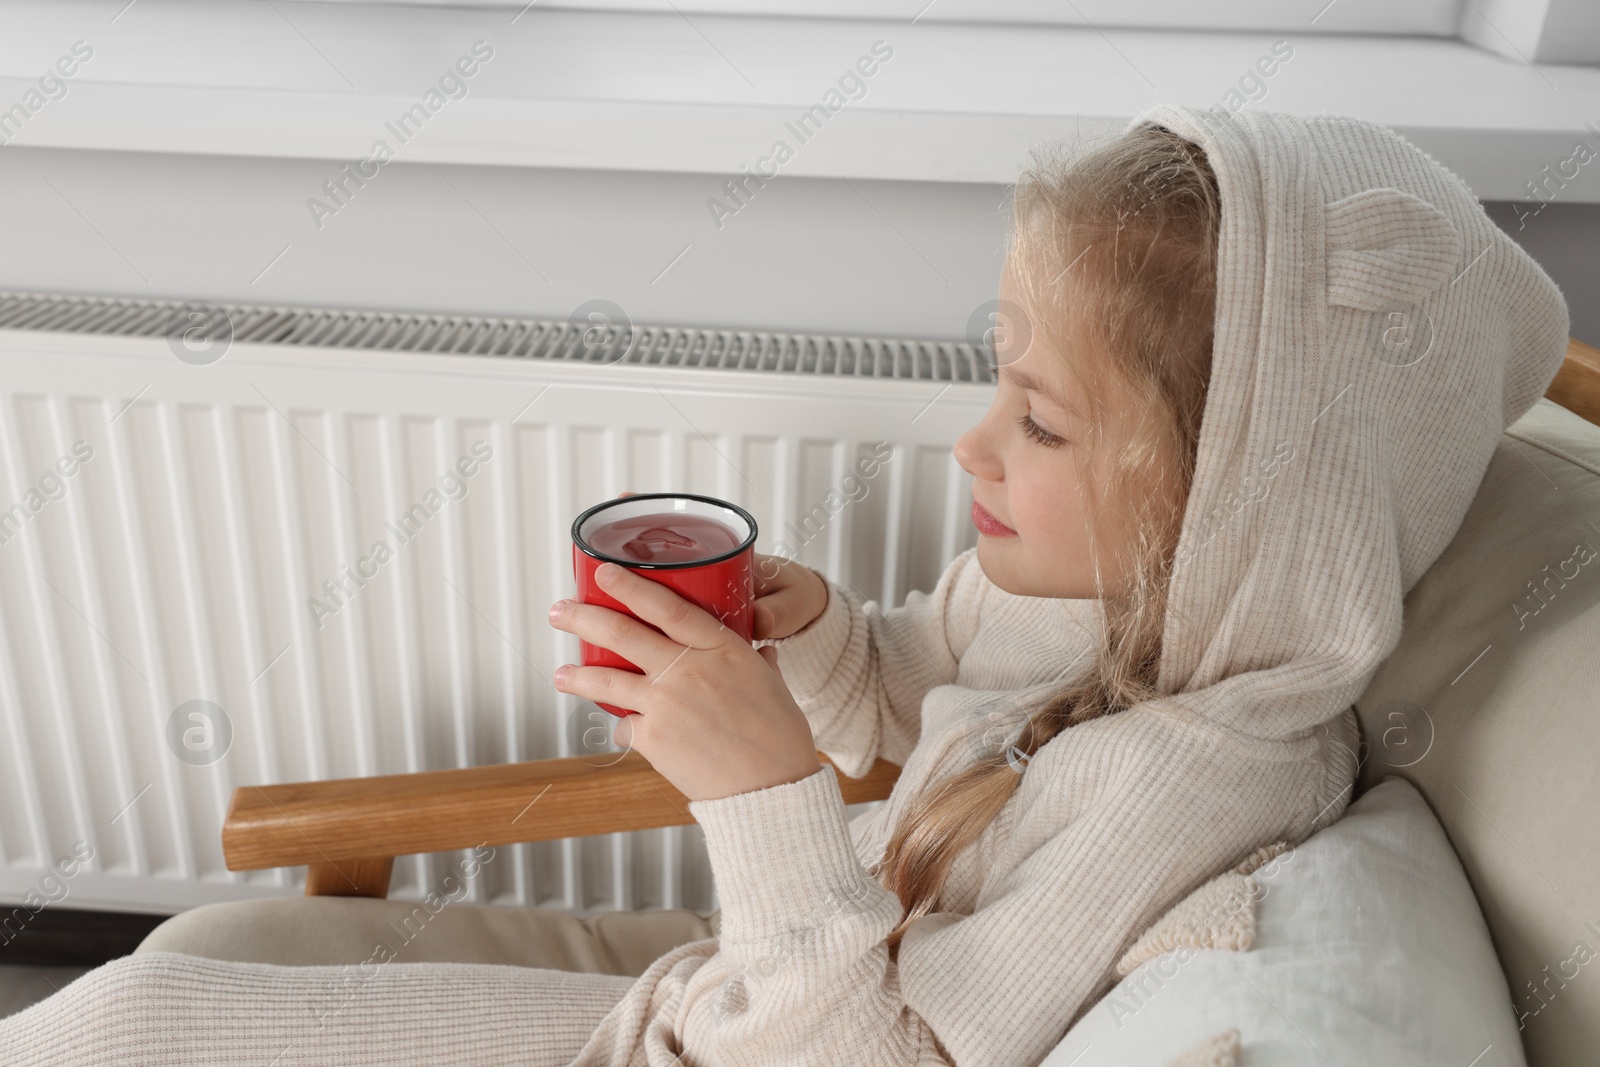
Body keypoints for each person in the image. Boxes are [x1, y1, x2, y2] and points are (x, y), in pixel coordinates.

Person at [0, 105, 1568, 1066]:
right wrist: (820, 637)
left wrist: (760, 799)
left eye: (1039, 417)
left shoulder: (1186, 791)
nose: (976, 440)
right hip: (708, 1007)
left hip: (745, 1030)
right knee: (131, 1026)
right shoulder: (1116, 623)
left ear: (1236, 499)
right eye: (994, 381)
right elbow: (915, 690)